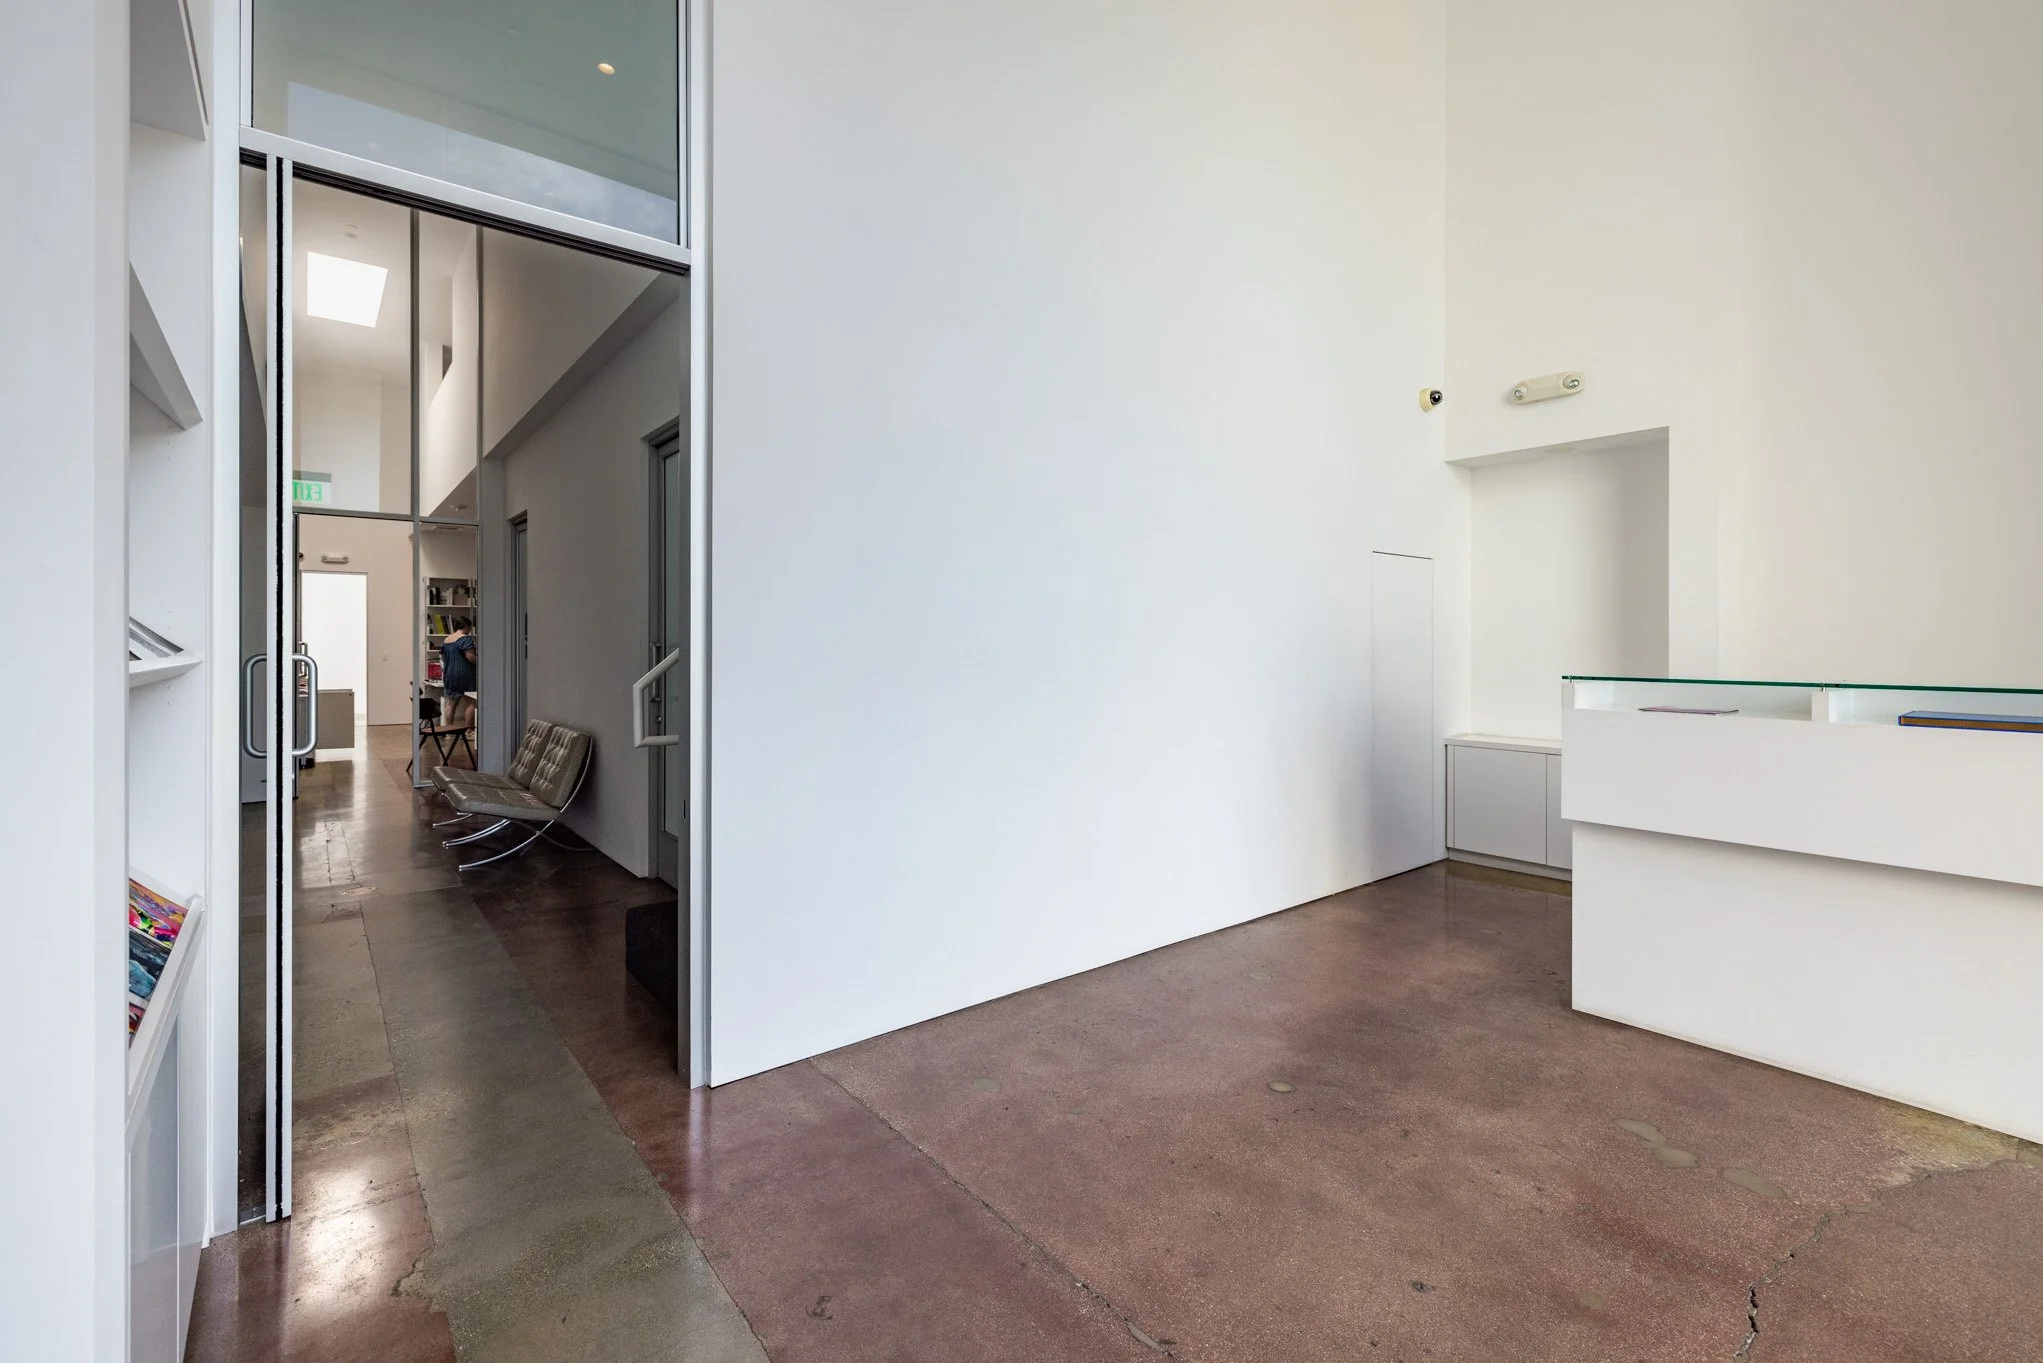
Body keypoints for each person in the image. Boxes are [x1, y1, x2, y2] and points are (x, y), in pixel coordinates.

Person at [441, 618, 478, 731]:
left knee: (451, 703)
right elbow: (470, 657)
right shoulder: (465, 639)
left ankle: (449, 730)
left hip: (449, 674)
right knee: (470, 702)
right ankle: (469, 731)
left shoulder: (447, 640)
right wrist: (481, 662)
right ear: (466, 626)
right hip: (465, 674)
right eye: (470, 627)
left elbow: (443, 657)